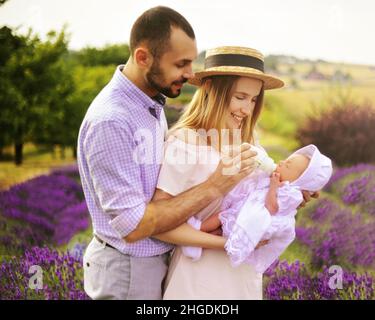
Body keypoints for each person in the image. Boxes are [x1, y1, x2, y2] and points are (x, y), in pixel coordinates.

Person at [77, 7, 257, 300]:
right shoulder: (112, 120)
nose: (190, 73)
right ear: (143, 57)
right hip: (130, 270)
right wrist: (214, 186)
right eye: (181, 64)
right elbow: (133, 225)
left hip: (152, 263)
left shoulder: (148, 103)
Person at [153, 46, 315, 300]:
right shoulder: (186, 142)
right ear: (212, 91)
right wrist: (233, 243)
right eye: (240, 97)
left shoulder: (249, 141)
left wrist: (291, 195)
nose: (247, 109)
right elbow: (160, 226)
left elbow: (257, 201)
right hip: (198, 280)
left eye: (253, 99)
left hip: (242, 279)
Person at [182, 144, 333, 274]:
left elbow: (272, 208)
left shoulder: (291, 193)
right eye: (285, 160)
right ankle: (197, 233)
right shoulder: (280, 181)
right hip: (246, 211)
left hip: (255, 219)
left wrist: (273, 186)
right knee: (222, 218)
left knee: (223, 225)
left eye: (287, 165)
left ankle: (198, 238)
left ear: (298, 180)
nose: (281, 162)